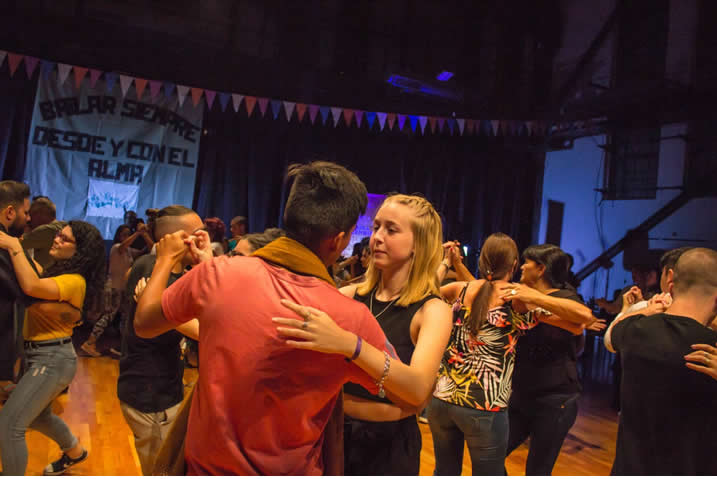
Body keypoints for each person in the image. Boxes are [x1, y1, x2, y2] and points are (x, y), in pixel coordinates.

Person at [134, 161, 397, 475]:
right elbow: (402, 393)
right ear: (340, 240)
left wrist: (164, 259)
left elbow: (145, 323)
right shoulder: (352, 317)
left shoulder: (218, 274)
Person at [276, 193, 453, 475]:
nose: (378, 237)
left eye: (391, 230)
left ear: (418, 244)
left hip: (389, 448)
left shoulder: (432, 311)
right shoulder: (346, 295)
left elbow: (418, 390)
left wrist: (351, 345)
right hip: (329, 435)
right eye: (376, 227)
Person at [429, 233, 593, 475]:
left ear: (482, 260)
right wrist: (536, 299)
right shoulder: (516, 301)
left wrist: (446, 262)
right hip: (484, 405)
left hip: (442, 400)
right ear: (514, 265)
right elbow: (583, 319)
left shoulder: (460, 290)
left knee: (444, 471)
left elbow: (424, 291)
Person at [0, 220, 105, 475]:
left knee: (9, 425)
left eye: (65, 239)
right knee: (38, 417)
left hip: (51, 360)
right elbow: (33, 273)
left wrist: (14, 245)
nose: (56, 240)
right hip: (44, 357)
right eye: (58, 235)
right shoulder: (58, 272)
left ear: (80, 252)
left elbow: (31, 286)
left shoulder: (74, 280)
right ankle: (75, 452)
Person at [604, 248, 717, 475]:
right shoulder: (711, 348)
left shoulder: (632, 331)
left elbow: (612, 335)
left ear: (671, 280)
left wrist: (640, 309)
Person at [117, 205, 209, 475]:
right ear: (179, 239)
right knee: (162, 470)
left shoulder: (170, 270)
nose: (205, 241)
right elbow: (204, 331)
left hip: (163, 386)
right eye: (199, 234)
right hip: (150, 393)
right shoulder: (154, 270)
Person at [501, 244, 597, 475]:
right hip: (522, 394)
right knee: (491, 454)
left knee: (537, 470)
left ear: (541, 269)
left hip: (556, 398)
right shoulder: (520, 293)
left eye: (527, 262)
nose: (522, 266)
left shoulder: (566, 295)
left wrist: (535, 299)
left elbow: (584, 317)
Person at [80, 224, 153, 357]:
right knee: (108, 316)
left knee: (125, 317)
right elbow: (123, 246)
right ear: (118, 235)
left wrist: (145, 234)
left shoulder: (129, 251)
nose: (126, 236)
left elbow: (149, 249)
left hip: (122, 289)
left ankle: (123, 347)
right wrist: (137, 233)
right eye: (124, 234)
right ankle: (90, 343)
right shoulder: (116, 248)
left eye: (128, 234)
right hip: (113, 288)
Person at [0, 181, 32, 387]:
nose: (28, 218)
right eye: (26, 213)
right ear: (10, 212)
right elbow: (26, 290)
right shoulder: (5, 246)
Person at [20, 196, 66, 270]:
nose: (29, 219)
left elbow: (18, 244)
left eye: (31, 215)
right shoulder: (62, 226)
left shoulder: (45, 230)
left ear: (38, 215)